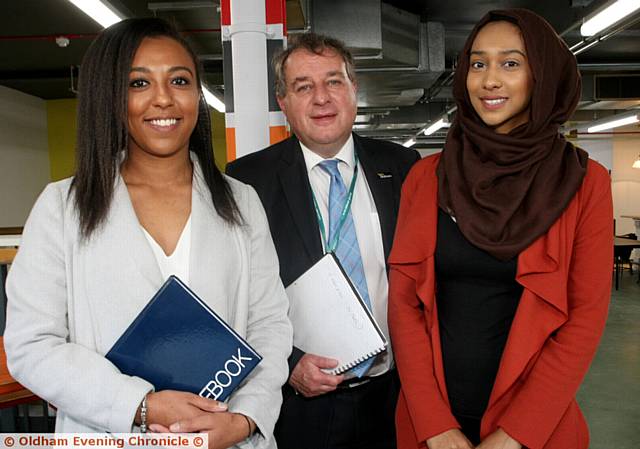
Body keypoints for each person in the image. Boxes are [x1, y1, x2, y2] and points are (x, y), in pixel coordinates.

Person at [4, 18, 292, 449]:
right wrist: (143, 404)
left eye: (179, 80)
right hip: (109, 436)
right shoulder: (63, 206)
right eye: (139, 83)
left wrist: (246, 417)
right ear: (111, 97)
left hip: (227, 435)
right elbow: (32, 345)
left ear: (197, 94)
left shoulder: (240, 201)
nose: (163, 99)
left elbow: (269, 326)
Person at [388, 8, 613, 449]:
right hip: (431, 425)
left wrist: (515, 435)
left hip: (534, 430)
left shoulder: (586, 183)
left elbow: (584, 321)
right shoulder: (428, 177)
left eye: (510, 63)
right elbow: (404, 305)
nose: (489, 80)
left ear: (542, 75)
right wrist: (434, 424)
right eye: (477, 63)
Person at [226, 33, 420, 449]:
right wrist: (290, 365)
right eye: (303, 86)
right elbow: (234, 297)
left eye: (333, 81)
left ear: (354, 90)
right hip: (299, 404)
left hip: (394, 393)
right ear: (283, 102)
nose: (321, 98)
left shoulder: (402, 167)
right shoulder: (246, 181)